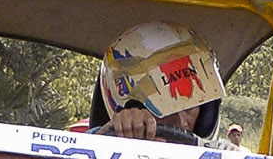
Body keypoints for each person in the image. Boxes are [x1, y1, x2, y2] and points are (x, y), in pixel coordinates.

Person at [94, 22, 223, 143]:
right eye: (168, 110)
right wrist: (108, 138)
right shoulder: (102, 145)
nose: (182, 123)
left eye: (189, 108)